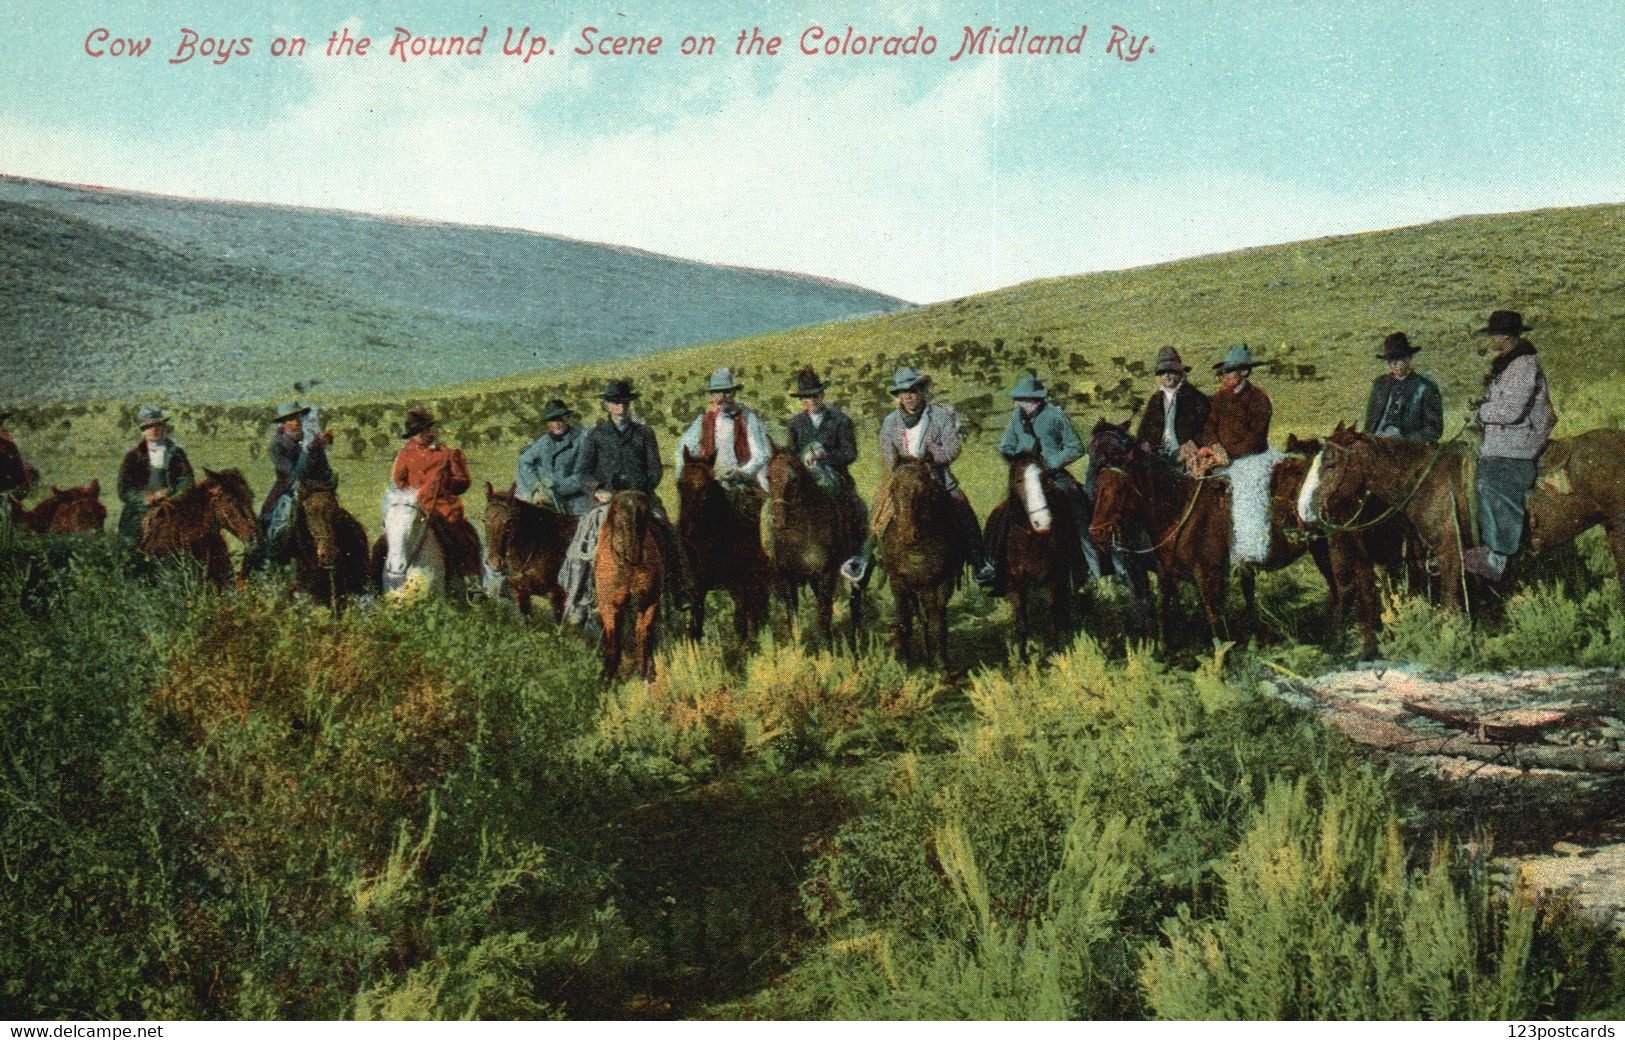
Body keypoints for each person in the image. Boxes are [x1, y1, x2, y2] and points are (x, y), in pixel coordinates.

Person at [561, 379, 683, 624]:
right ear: (607, 406)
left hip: (641, 498)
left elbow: (655, 469)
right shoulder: (594, 435)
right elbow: (583, 472)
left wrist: (642, 489)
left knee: (667, 531)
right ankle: (579, 599)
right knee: (582, 543)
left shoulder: (644, 433)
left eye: (625, 403)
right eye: (616, 403)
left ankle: (680, 590)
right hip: (607, 501)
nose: (621, 407)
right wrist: (597, 491)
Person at [877, 366, 996, 588]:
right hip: (903, 481)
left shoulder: (942, 415)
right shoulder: (890, 423)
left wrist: (933, 456)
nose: (909, 397)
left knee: (962, 506)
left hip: (936, 479)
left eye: (913, 390)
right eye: (903, 392)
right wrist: (901, 468)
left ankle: (979, 563)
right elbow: (887, 456)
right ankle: (864, 561)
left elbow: (953, 448)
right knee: (877, 514)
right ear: (898, 396)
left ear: (922, 391)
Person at [1463, 310, 1557, 583]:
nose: (1491, 340)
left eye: (1494, 335)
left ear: (1506, 337)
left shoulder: (1524, 365)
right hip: (1506, 437)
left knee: (1491, 481)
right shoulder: (1508, 363)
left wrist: (1481, 414)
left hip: (1520, 441)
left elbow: (1511, 410)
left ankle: (1498, 556)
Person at [992, 370, 1093, 585]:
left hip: (1053, 477)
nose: (1025, 404)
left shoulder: (1056, 415)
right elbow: (1005, 445)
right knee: (1001, 517)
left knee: (1079, 518)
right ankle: (996, 568)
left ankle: (1091, 570)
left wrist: (1049, 464)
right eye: (1021, 399)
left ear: (1039, 399)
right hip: (1024, 479)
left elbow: (1075, 447)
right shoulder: (1016, 418)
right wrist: (1018, 461)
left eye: (1030, 399)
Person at [784, 367, 869, 580]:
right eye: (806, 397)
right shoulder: (795, 424)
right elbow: (791, 456)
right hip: (806, 481)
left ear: (822, 395)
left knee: (858, 509)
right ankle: (785, 562)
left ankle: (857, 557)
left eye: (815, 395)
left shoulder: (840, 420)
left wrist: (826, 455)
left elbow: (850, 454)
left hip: (837, 479)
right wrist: (803, 460)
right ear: (801, 400)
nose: (811, 400)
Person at [1199, 345, 1278, 565]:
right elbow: (1208, 425)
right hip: (1221, 456)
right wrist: (1215, 446)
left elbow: (1257, 437)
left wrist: (1229, 453)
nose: (1224, 376)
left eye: (1229, 371)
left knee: (1249, 496)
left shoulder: (1259, 398)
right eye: (1223, 371)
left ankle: (1250, 553)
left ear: (1244, 372)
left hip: (1250, 458)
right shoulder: (1219, 398)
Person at [391, 408, 482, 587]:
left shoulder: (448, 453)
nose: (422, 435)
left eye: (425, 430)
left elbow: (463, 481)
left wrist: (446, 483)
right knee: (387, 541)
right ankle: (375, 584)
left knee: (465, 538)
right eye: (417, 433)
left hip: (444, 509)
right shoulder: (404, 454)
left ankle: (472, 583)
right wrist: (411, 494)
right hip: (414, 508)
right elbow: (398, 480)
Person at [252, 402, 336, 566]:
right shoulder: (276, 444)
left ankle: (327, 549)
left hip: (317, 486)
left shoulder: (313, 439)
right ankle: (268, 556)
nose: (295, 422)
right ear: (284, 423)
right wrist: (307, 451)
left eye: (297, 418)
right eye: (290, 419)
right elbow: (291, 473)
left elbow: (325, 468)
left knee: (321, 510)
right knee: (267, 514)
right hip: (287, 484)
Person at [674, 367, 773, 490]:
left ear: (734, 393)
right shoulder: (704, 420)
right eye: (716, 392)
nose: (721, 398)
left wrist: (741, 473)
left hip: (742, 481)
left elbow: (760, 455)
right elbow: (682, 449)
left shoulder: (747, 417)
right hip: (711, 482)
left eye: (726, 392)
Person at [117, 405, 195, 543]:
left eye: (158, 425)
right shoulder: (133, 456)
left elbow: (187, 481)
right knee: (130, 542)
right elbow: (124, 489)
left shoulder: (176, 453)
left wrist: (169, 494)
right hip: (141, 509)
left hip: (173, 505)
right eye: (149, 426)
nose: (154, 429)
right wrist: (145, 498)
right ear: (143, 431)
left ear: (164, 427)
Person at [1363, 333, 1444, 442]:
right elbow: (1369, 424)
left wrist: (1403, 439)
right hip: (1376, 444)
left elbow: (1434, 430)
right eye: (1390, 360)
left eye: (1398, 358)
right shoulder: (1380, 384)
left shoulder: (1425, 387)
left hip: (1405, 449)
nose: (1394, 364)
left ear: (1408, 358)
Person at [515, 399, 590, 514]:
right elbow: (524, 461)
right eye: (553, 420)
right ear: (548, 422)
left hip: (576, 500)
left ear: (567, 418)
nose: (557, 424)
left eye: (561, 418)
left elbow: (583, 474)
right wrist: (535, 489)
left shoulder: (581, 439)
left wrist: (556, 489)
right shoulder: (543, 442)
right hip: (549, 502)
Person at [1135, 348, 1210, 457]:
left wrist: (1194, 443)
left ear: (1180, 373)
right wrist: (1144, 443)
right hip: (1158, 454)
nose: (1167, 375)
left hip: (1187, 452)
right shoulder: (1156, 399)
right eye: (1162, 372)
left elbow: (1207, 426)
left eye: (1171, 371)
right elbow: (1144, 428)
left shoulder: (1195, 397)